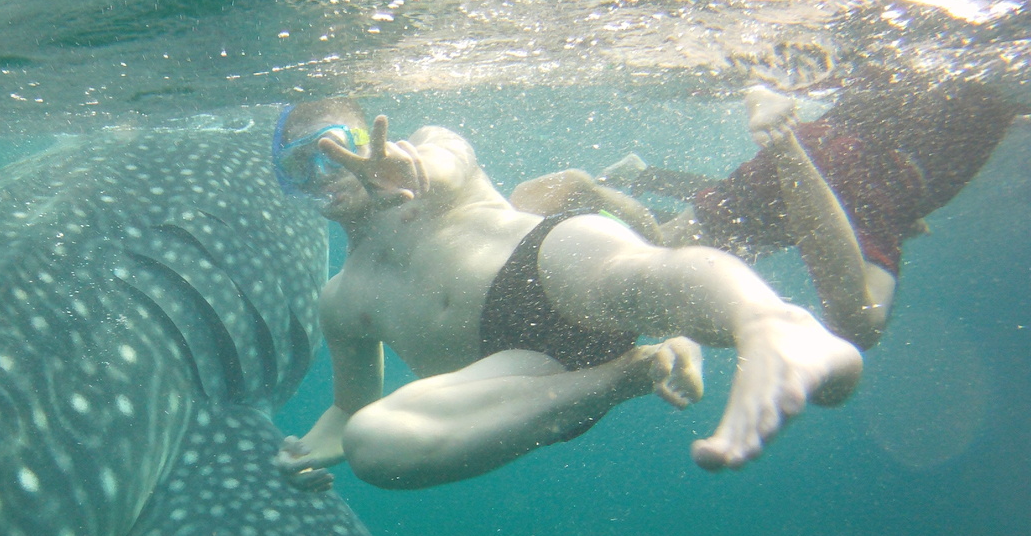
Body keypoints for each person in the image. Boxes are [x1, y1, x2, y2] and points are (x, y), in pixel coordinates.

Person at [269, 99, 863, 492]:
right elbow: (350, 409)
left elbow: (445, 163)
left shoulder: (426, 151)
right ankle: (631, 373)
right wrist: (307, 453)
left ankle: (771, 324)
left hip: (543, 260)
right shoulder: (341, 298)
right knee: (374, 445)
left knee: (632, 274)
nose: (328, 172)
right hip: (523, 375)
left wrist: (409, 164)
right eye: (301, 167)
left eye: (335, 146)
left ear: (372, 135)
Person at [511, 77, 1024, 349]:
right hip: (853, 169)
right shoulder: (991, 110)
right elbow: (880, 174)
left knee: (657, 251)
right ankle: (777, 141)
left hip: (825, 150)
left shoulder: (966, 107)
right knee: (858, 324)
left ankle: (602, 193)